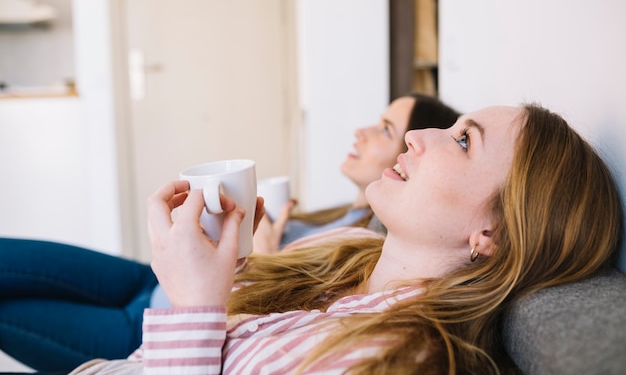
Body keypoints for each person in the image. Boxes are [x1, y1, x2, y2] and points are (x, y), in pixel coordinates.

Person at [68, 103, 622, 374]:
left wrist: (193, 306)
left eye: (461, 142)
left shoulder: (400, 357)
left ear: (492, 233)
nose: (415, 136)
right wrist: (224, 272)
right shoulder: (342, 263)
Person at [0, 95, 458, 372]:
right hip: (154, 283)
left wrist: (260, 252)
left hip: (148, 330)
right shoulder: (342, 223)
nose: (361, 131)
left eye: (384, 129)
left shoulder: (376, 247)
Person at [253, 93, 460, 253]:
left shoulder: (367, 241)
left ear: (409, 157)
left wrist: (264, 255)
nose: (360, 131)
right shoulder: (342, 215)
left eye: (386, 130)